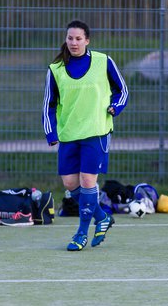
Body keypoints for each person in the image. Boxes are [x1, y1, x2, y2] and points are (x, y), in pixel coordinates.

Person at [42, 20, 128, 251]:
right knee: (70, 184)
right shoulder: (56, 69)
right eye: (70, 38)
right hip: (69, 133)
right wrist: (51, 131)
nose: (74, 42)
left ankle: (81, 233)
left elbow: (123, 90)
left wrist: (115, 107)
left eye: (78, 38)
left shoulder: (103, 61)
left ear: (87, 40)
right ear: (66, 39)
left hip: (96, 131)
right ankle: (102, 217)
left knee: (88, 181)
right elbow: (49, 105)